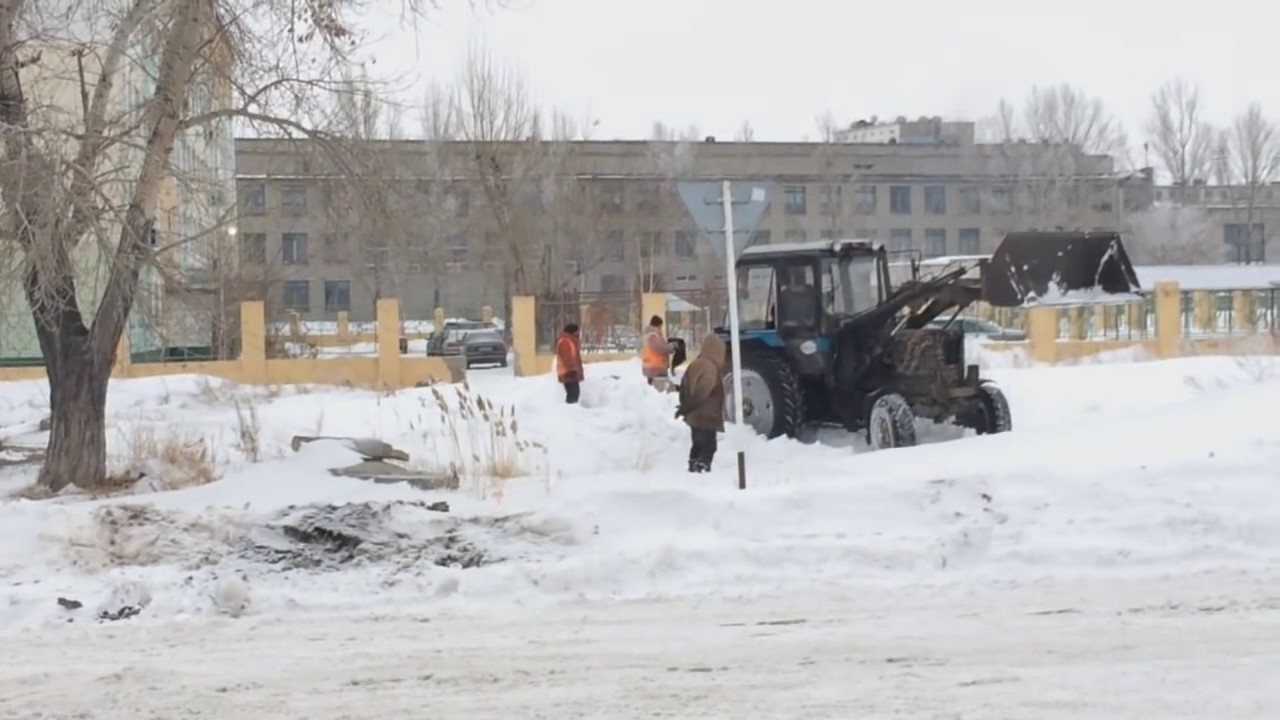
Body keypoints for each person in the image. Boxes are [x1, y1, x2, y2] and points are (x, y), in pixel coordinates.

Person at [675, 333, 726, 473]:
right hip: (707, 415)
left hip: (694, 416)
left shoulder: (695, 364)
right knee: (709, 446)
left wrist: (684, 407)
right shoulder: (710, 367)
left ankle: (693, 468)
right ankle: (701, 471)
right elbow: (704, 390)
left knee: (697, 444)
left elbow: (683, 387)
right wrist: (689, 407)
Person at [640, 315, 678, 390]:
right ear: (658, 325)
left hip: (654, 367)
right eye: (660, 326)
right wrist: (671, 347)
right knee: (660, 392)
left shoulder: (653, 335)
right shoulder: (653, 336)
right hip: (655, 367)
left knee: (656, 392)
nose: (661, 328)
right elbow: (659, 348)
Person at [556, 323, 584, 404]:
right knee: (573, 394)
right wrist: (571, 370)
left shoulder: (570, 341)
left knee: (574, 393)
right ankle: (570, 412)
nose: (578, 334)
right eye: (577, 332)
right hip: (568, 373)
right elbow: (567, 357)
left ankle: (571, 411)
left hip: (571, 372)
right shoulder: (566, 341)